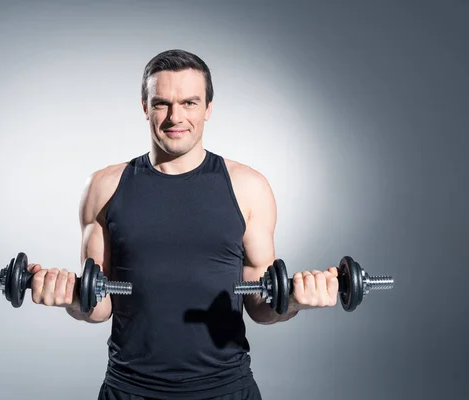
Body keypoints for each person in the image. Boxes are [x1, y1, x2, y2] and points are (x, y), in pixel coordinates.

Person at [26, 49, 340, 400]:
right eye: (162, 103)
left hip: (226, 389)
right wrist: (68, 298)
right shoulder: (103, 187)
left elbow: (260, 306)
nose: (176, 117)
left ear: (208, 108)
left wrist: (295, 302)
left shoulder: (249, 187)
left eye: (190, 103)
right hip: (129, 390)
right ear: (145, 107)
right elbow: (97, 306)